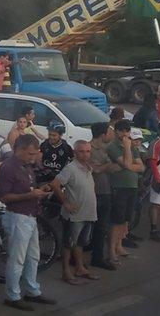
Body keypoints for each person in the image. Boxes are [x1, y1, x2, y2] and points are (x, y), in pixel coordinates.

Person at [0, 135, 57, 311]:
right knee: (17, 259)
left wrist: (40, 191)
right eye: (30, 153)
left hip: (30, 215)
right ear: (20, 150)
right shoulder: (9, 167)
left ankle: (32, 290)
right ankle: (12, 295)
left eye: (35, 153)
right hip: (17, 216)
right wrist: (30, 195)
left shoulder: (26, 166)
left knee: (33, 257)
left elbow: (28, 189)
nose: (33, 157)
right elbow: (4, 196)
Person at [48, 140, 98, 285]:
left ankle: (80, 268)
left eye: (88, 151)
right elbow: (55, 184)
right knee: (68, 243)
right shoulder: (70, 168)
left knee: (80, 243)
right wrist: (66, 203)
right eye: (82, 151)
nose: (86, 154)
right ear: (75, 152)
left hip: (87, 212)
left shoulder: (87, 168)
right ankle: (66, 271)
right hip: (74, 214)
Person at [107, 119, 144, 262]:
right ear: (116, 132)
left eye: (127, 131)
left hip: (132, 186)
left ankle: (119, 246)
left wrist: (130, 164)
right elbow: (127, 164)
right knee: (117, 220)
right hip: (119, 187)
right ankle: (111, 249)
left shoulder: (133, 147)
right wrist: (128, 148)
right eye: (121, 131)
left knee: (125, 220)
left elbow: (141, 167)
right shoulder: (113, 146)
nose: (124, 134)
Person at [88, 123, 119, 271]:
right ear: (102, 135)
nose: (111, 135)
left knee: (102, 227)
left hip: (106, 191)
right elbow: (95, 170)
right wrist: (106, 166)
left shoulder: (105, 150)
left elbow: (113, 167)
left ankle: (97, 256)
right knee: (86, 226)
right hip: (93, 192)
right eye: (109, 132)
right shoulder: (88, 149)